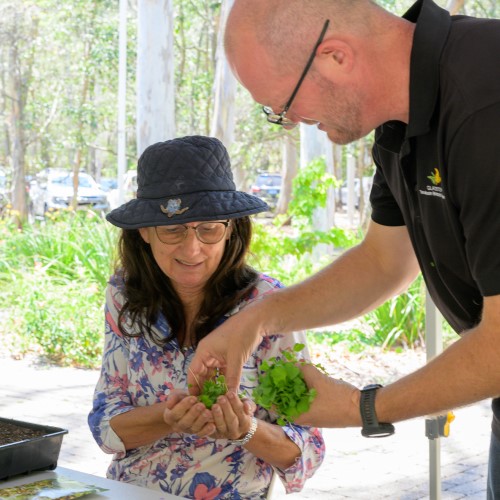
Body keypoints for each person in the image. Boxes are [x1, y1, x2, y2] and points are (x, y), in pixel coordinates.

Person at [187, 0, 500, 497]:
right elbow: (384, 262)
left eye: (283, 106)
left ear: (336, 56)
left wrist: (362, 407)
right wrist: (256, 320)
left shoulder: (486, 103)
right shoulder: (401, 120)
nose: (288, 123)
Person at [88, 135, 325, 499]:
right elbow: (105, 426)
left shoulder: (268, 306)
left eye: (209, 229)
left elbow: (306, 451)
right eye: (173, 229)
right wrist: (167, 418)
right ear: (145, 232)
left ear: (230, 230)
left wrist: (245, 430)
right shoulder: (124, 297)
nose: (192, 247)